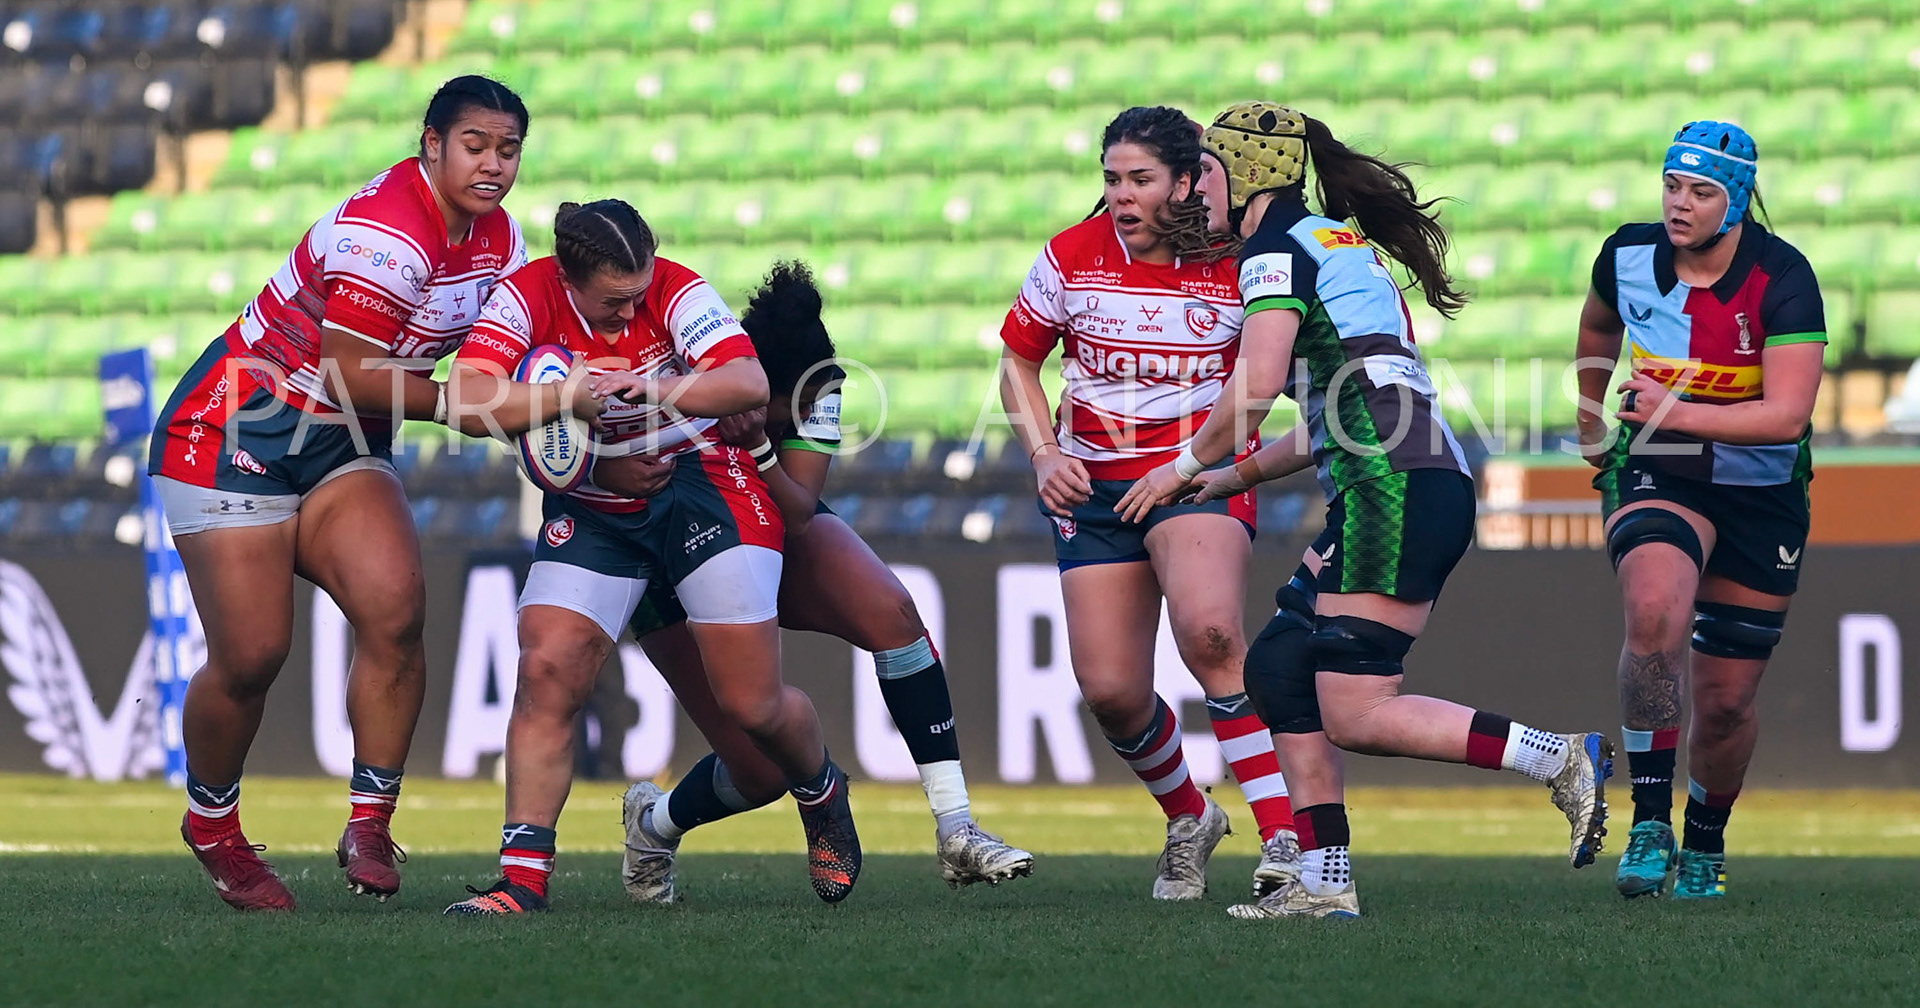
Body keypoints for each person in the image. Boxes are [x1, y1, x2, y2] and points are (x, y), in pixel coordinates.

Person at [1119, 101, 1612, 920]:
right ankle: (1327, 883)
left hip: (1394, 489)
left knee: (1355, 711)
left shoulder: (1274, 252)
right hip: (1407, 480)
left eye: (1205, 170)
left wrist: (1179, 466)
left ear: (1244, 173)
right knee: (1279, 668)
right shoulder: (1334, 245)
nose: (1193, 190)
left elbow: (1255, 389)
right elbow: (1336, 416)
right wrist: (1231, 477)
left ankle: (1556, 757)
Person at [149, 76, 596, 912]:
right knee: (252, 658)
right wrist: (478, 409)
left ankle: (370, 822)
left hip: (342, 443)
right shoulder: (390, 230)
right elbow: (352, 373)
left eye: (509, 149)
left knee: (397, 608)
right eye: (475, 145)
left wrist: (556, 385)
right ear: (432, 144)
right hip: (235, 429)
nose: (494, 164)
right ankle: (212, 823)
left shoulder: (502, 238)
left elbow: (493, 357)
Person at [441, 200, 861, 915]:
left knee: (751, 704)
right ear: (568, 282)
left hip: (703, 485)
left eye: (639, 294)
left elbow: (748, 384)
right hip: (600, 507)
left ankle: (820, 790)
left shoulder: (676, 288)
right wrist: (566, 397)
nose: (630, 310)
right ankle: (521, 884)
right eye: (612, 302)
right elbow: (462, 399)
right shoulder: (525, 295)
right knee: (546, 669)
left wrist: (657, 389)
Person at [618, 262, 1033, 901]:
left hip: (768, 516)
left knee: (894, 613)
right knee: (757, 772)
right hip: (668, 555)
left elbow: (800, 511)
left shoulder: (819, 383)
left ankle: (957, 828)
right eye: (794, 406)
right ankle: (652, 825)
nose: (812, 409)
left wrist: (758, 450)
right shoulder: (695, 374)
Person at [995, 106, 1299, 903]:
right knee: (1112, 693)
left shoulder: (1238, 262)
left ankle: (1287, 845)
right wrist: (1043, 452)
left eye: (1139, 179)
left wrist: (1199, 460)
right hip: (1092, 489)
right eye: (1111, 179)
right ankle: (1191, 816)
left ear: (1187, 181)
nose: (1122, 196)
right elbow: (1017, 366)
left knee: (1211, 633)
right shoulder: (1070, 254)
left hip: (1193, 477)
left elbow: (1262, 383)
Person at [1574, 122, 1824, 901]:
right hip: (1661, 465)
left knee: (1725, 703)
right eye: (1671, 186)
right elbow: (1596, 327)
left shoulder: (1783, 277)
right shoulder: (1626, 256)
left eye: (1702, 192)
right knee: (1653, 611)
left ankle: (1705, 843)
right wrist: (1591, 417)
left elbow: (1786, 416)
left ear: (1738, 199)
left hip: (1761, 488)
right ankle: (1650, 818)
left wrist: (1672, 408)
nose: (1680, 205)